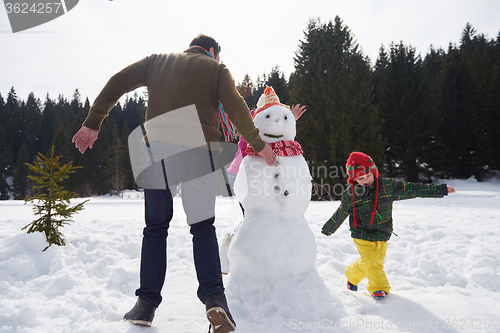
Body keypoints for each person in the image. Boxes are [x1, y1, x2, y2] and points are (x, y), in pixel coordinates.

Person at [72, 34, 274, 332]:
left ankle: (145, 305)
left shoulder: (157, 62)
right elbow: (235, 105)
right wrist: (257, 142)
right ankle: (215, 299)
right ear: (212, 51)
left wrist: (93, 122)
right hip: (201, 152)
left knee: (155, 228)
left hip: (157, 152)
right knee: (202, 227)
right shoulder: (217, 69)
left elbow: (118, 81)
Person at [321, 152, 456, 300]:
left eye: (368, 175)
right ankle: (378, 289)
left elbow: (414, 189)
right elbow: (341, 212)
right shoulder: (350, 194)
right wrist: (329, 228)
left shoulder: (388, 187)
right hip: (361, 234)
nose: (366, 180)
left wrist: (440, 190)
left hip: (382, 232)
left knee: (372, 262)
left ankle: (351, 275)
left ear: (374, 172)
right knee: (373, 263)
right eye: (360, 178)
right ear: (353, 179)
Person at [220, 103, 306, 275]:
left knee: (262, 216)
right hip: (241, 175)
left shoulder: (268, 126)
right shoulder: (251, 126)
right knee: (254, 216)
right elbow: (248, 147)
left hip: (259, 178)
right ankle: (228, 247)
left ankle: (251, 255)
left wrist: (290, 121)